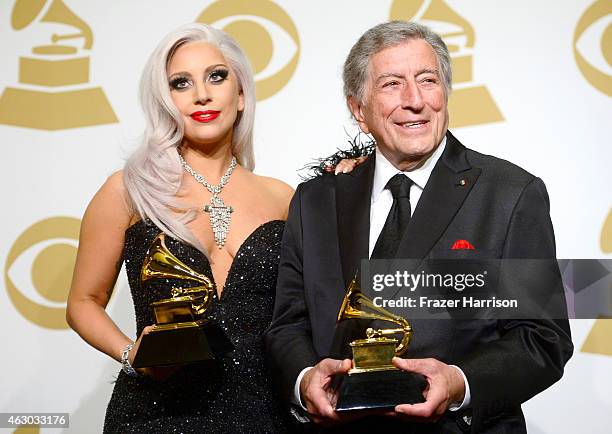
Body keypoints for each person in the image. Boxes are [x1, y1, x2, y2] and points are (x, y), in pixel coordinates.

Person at [265, 21, 573, 433]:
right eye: (392, 84)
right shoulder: (315, 201)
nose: (415, 101)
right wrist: (305, 383)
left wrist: (459, 382)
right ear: (359, 110)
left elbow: (543, 339)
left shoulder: (511, 195)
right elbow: (288, 324)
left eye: (427, 80)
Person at [66, 23, 300, 433]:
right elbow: (83, 302)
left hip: (265, 413)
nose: (201, 95)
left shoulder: (283, 197)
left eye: (216, 76)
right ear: (164, 101)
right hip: (154, 415)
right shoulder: (129, 189)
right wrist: (129, 355)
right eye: (180, 83)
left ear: (241, 94)